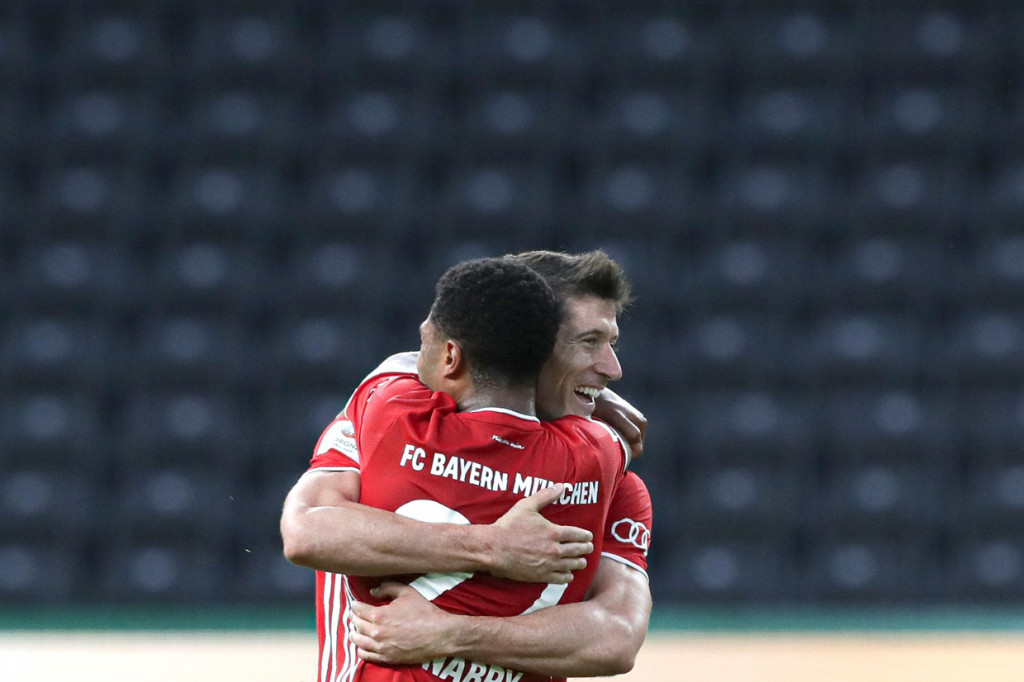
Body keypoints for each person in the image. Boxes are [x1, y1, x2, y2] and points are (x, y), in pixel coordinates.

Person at [281, 251, 652, 680]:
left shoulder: (387, 413)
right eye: (588, 342)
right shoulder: (379, 421)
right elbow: (308, 531)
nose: (613, 369)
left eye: (611, 343)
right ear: (530, 341)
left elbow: (617, 637)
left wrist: (453, 633)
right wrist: (494, 546)